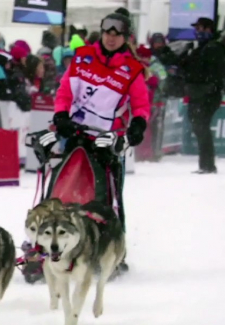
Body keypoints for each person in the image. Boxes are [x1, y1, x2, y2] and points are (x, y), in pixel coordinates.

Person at [52, 12, 150, 273]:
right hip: (76, 134)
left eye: (117, 34)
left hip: (108, 140)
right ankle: (55, 244)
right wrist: (61, 113)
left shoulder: (132, 69)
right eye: (107, 31)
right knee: (65, 187)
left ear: (125, 37)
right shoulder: (83, 57)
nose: (111, 37)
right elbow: (65, 91)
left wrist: (138, 125)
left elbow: (141, 105)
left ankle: (113, 251)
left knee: (110, 197)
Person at [180, 17, 225, 174]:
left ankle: (207, 165)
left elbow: (215, 73)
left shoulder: (213, 47)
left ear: (208, 29)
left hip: (207, 95)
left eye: (200, 28)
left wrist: (206, 88)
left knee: (201, 127)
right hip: (198, 93)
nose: (197, 32)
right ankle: (206, 164)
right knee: (199, 127)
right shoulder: (200, 47)